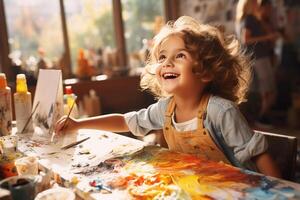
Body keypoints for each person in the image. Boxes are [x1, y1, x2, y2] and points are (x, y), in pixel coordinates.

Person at [55, 16, 280, 178]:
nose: (167, 63)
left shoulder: (221, 111)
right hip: (196, 187)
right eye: (162, 57)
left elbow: (259, 156)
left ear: (207, 71)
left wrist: (282, 192)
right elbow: (125, 121)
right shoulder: (165, 109)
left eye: (179, 55)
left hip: (238, 190)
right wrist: (78, 124)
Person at [235, 0, 279, 125]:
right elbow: (246, 39)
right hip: (259, 58)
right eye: (254, 2)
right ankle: (260, 118)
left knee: (263, 91)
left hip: (256, 57)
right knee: (268, 91)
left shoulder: (244, 19)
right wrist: (267, 37)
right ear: (249, 5)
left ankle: (259, 118)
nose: (257, 4)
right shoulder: (249, 18)